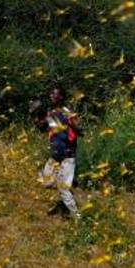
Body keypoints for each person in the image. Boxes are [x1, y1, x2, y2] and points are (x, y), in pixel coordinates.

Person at [32, 87, 81, 219]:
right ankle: (68, 184)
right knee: (46, 182)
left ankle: (77, 217)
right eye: (51, 93)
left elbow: (79, 130)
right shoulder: (50, 113)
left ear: (61, 97)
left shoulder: (67, 111)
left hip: (67, 156)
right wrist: (35, 115)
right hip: (55, 156)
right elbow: (43, 128)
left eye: (55, 93)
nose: (51, 95)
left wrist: (72, 123)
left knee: (63, 189)